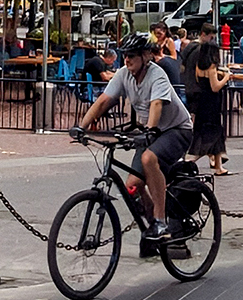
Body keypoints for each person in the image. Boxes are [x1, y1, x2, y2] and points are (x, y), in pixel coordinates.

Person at [72, 33, 193, 245]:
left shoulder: (157, 75)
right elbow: (103, 101)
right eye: (125, 55)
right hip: (150, 132)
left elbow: (157, 104)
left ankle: (161, 221)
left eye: (133, 56)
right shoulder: (123, 74)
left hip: (176, 130)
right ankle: (151, 228)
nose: (127, 60)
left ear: (145, 56)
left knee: (148, 159)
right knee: (132, 187)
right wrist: (80, 127)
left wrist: (150, 130)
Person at [188, 34, 231, 174]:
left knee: (213, 134)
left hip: (202, 101)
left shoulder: (199, 66)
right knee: (213, 133)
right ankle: (190, 161)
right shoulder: (212, 67)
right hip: (212, 104)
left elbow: (202, 81)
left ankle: (219, 167)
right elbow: (215, 87)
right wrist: (226, 77)